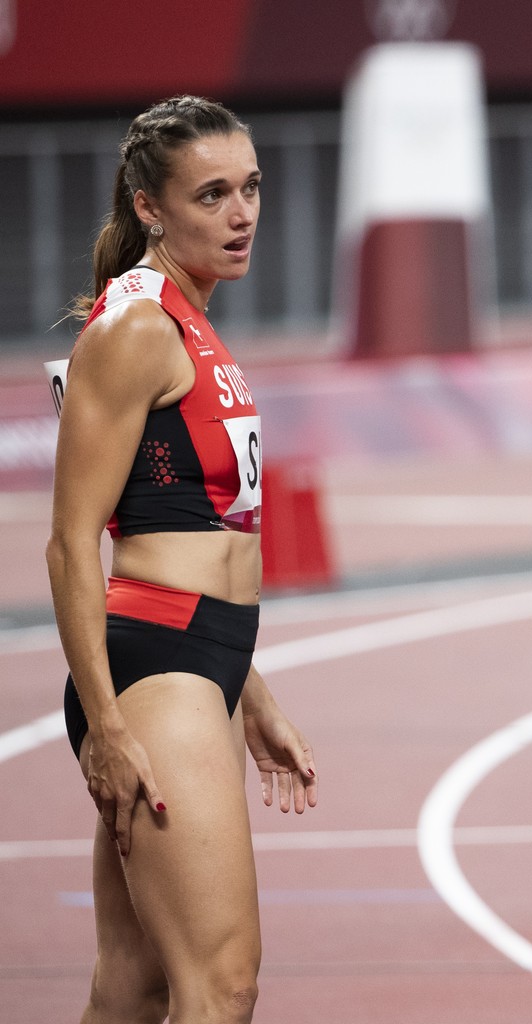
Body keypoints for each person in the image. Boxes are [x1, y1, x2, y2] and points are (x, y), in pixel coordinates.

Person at [46, 95, 317, 1024]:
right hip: (153, 671)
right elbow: (73, 537)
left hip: (204, 658)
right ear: (150, 206)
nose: (241, 214)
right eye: (212, 195)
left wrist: (252, 689)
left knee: (134, 980)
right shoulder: (136, 331)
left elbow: (204, 530)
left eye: (250, 189)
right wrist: (108, 727)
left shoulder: (189, 318)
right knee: (222, 984)